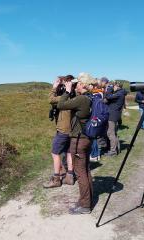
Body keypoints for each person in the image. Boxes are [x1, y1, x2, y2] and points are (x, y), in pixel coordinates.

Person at [57, 73, 94, 214]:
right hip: (87, 138)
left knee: (80, 173)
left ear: (83, 85)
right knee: (86, 170)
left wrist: (67, 91)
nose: (75, 85)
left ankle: (85, 205)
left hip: (78, 140)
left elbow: (61, 104)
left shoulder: (81, 99)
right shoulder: (90, 98)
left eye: (77, 83)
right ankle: (87, 199)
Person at [43, 75, 75, 188]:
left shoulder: (64, 99)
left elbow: (51, 99)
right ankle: (70, 176)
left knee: (55, 152)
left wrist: (54, 87)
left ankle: (56, 179)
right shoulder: (75, 97)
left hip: (63, 129)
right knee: (68, 151)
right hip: (72, 129)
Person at [104, 81, 127, 156]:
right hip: (115, 114)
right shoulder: (121, 93)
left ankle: (113, 151)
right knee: (113, 133)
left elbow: (108, 97)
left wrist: (110, 89)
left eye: (114, 86)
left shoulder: (119, 93)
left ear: (117, 86)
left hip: (113, 115)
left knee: (110, 133)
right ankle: (117, 149)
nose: (113, 87)